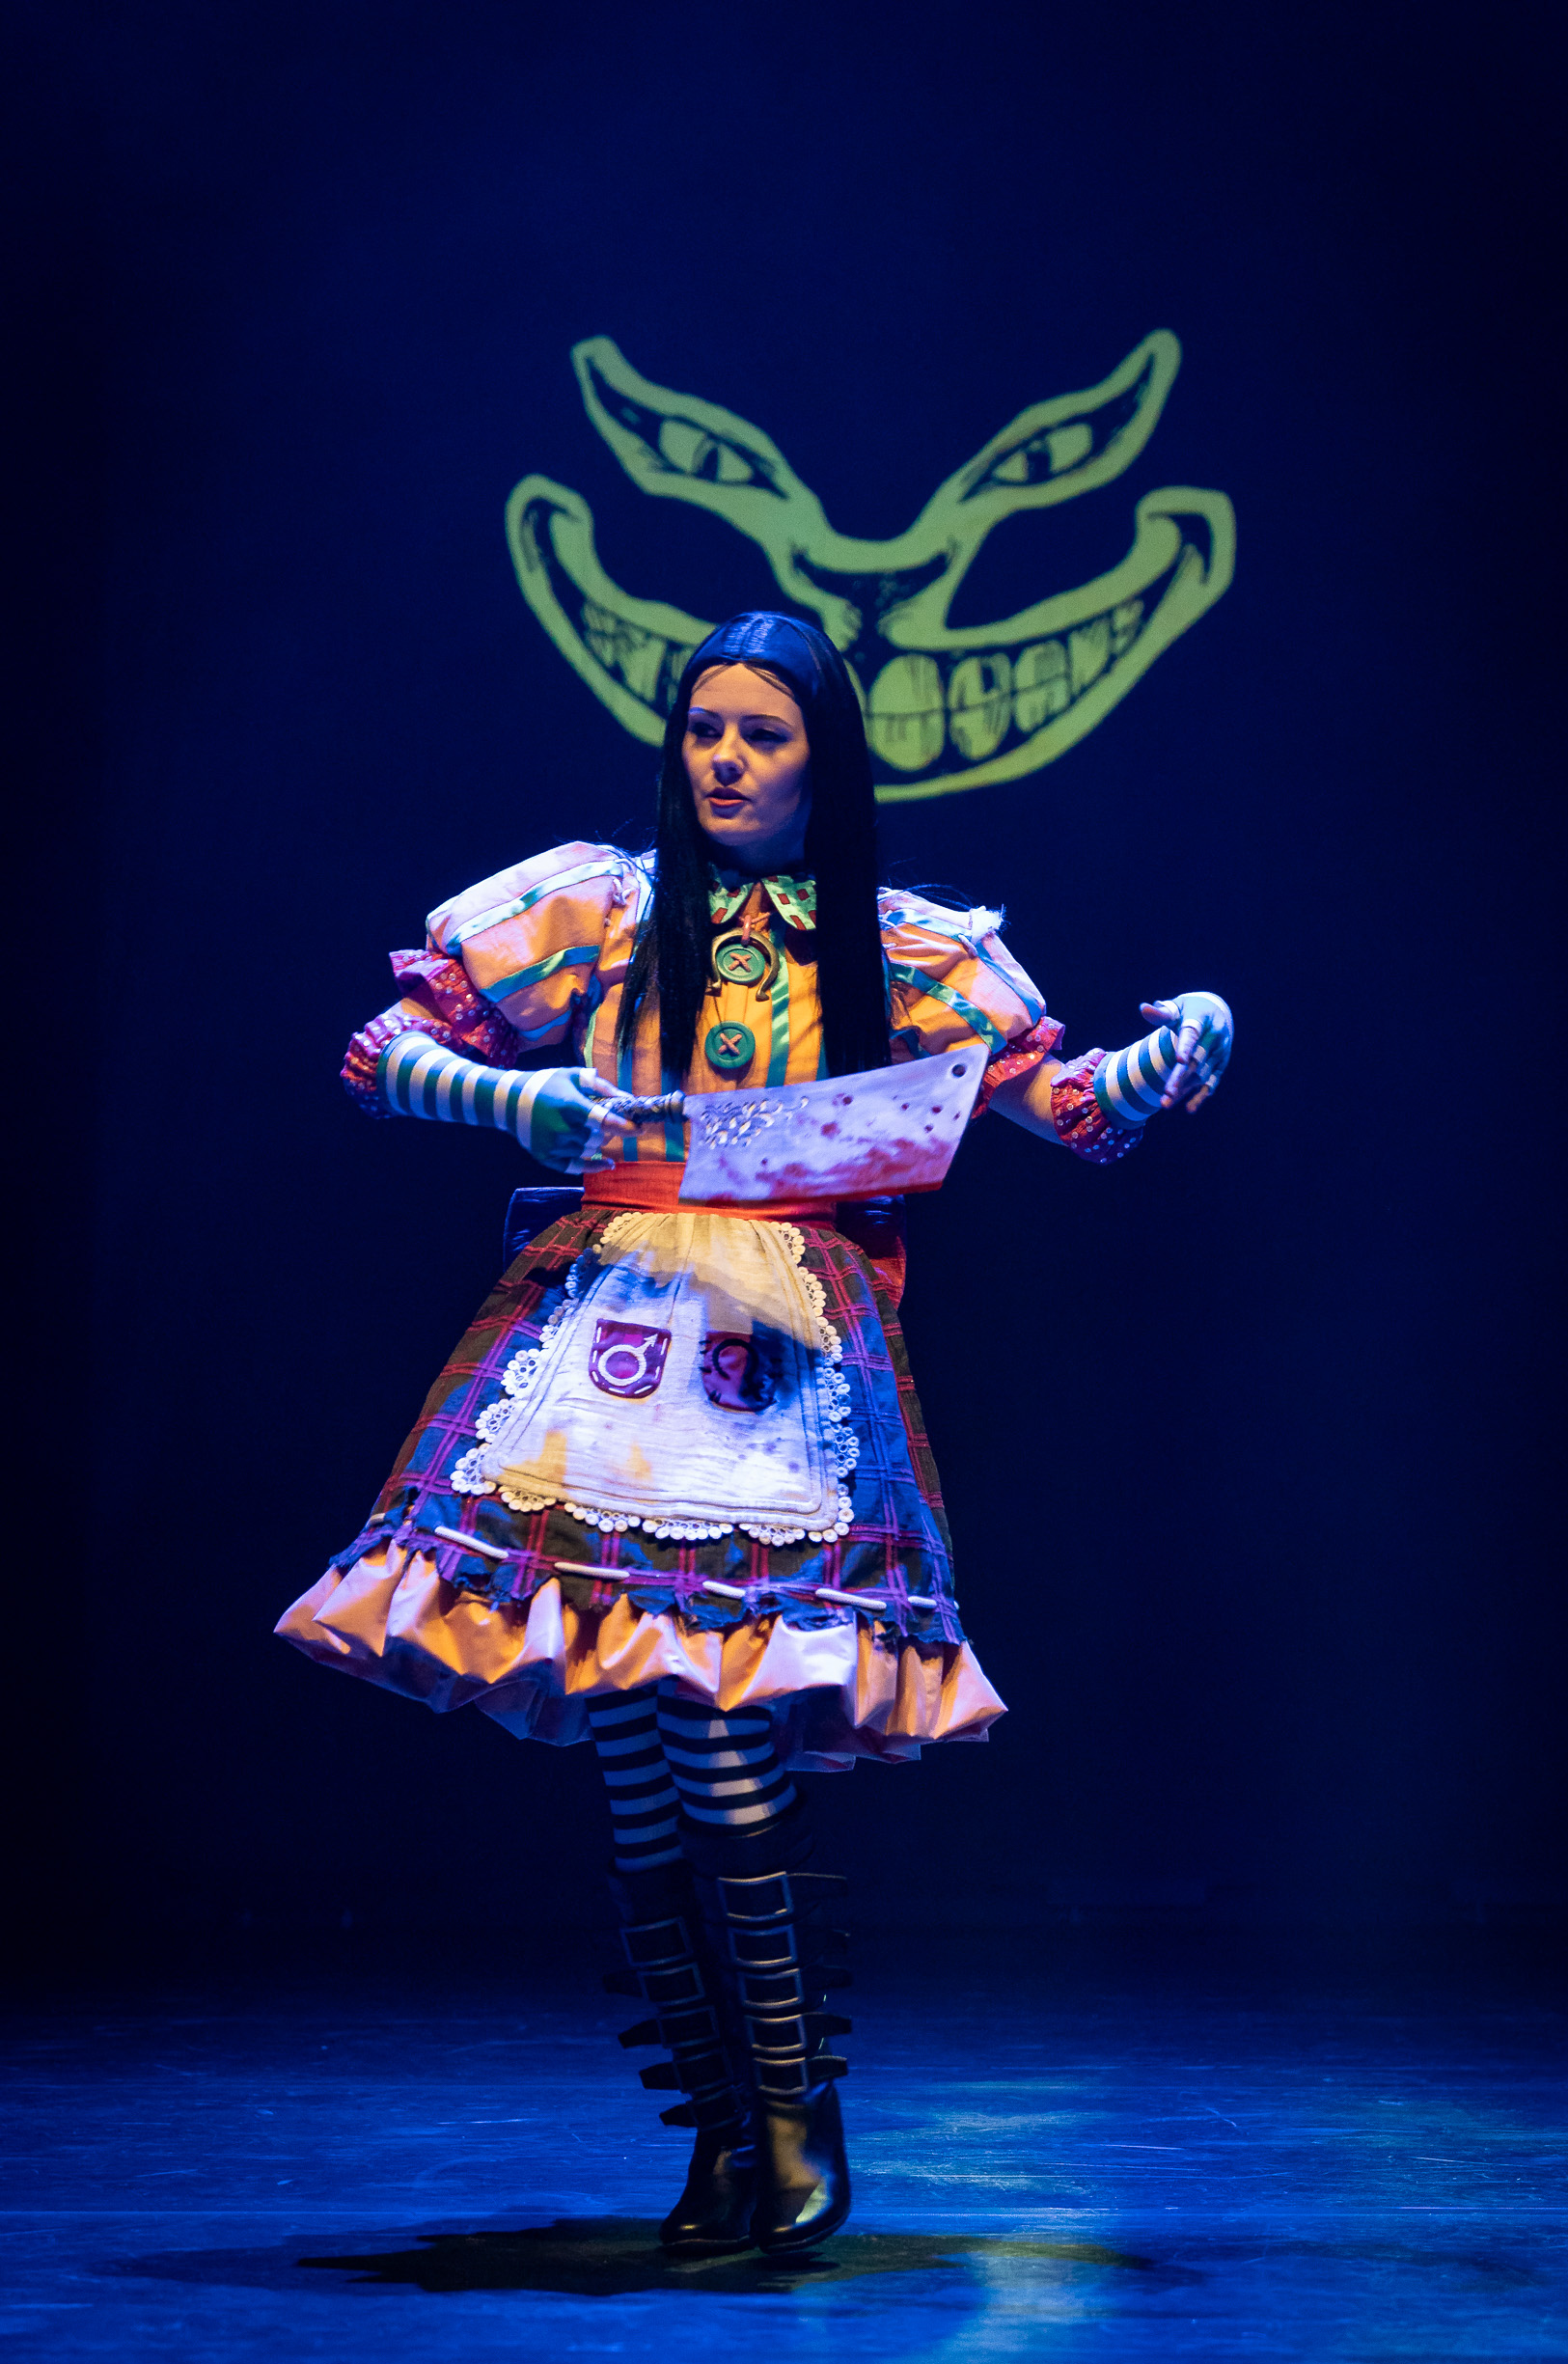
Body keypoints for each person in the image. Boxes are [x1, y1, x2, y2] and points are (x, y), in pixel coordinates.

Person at [278, 610, 1231, 2259]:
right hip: (614, 1324)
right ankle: (723, 2136)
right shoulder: (603, 906)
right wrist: (512, 1099)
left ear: (821, 759)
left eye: (762, 735)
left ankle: (794, 2119)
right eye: (704, 729)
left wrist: (1182, 1047)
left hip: (775, 1340)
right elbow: (381, 1056)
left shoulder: (906, 946)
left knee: (714, 1714)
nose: (723, 760)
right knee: (637, 1749)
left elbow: (1070, 1110)